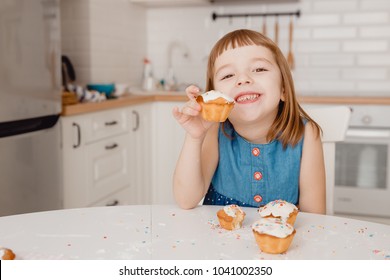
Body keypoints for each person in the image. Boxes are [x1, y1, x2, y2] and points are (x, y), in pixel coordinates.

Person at [172, 29, 325, 214]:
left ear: (283, 88)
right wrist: (194, 137)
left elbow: (314, 219)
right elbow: (185, 199)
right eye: (228, 75)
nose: (243, 79)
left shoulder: (308, 134)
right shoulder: (215, 130)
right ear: (216, 97)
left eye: (259, 69)